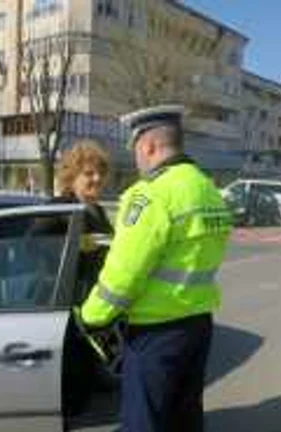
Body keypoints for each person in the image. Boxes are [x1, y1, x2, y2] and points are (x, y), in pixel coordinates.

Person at [76, 105, 232, 432]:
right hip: (198, 325)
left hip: (155, 333)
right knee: (185, 417)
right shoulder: (208, 190)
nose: (136, 160)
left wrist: (89, 319)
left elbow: (123, 275)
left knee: (143, 423)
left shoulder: (150, 195)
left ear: (148, 146)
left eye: (136, 151)